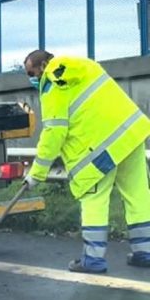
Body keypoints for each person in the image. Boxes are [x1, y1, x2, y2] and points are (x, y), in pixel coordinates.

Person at [23, 50, 150, 273]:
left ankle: (93, 260)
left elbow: (54, 132)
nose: (31, 79)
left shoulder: (52, 83)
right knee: (138, 196)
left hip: (99, 150)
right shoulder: (85, 66)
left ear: (44, 65)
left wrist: (37, 173)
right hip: (130, 134)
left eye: (31, 73)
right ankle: (145, 253)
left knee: (94, 200)